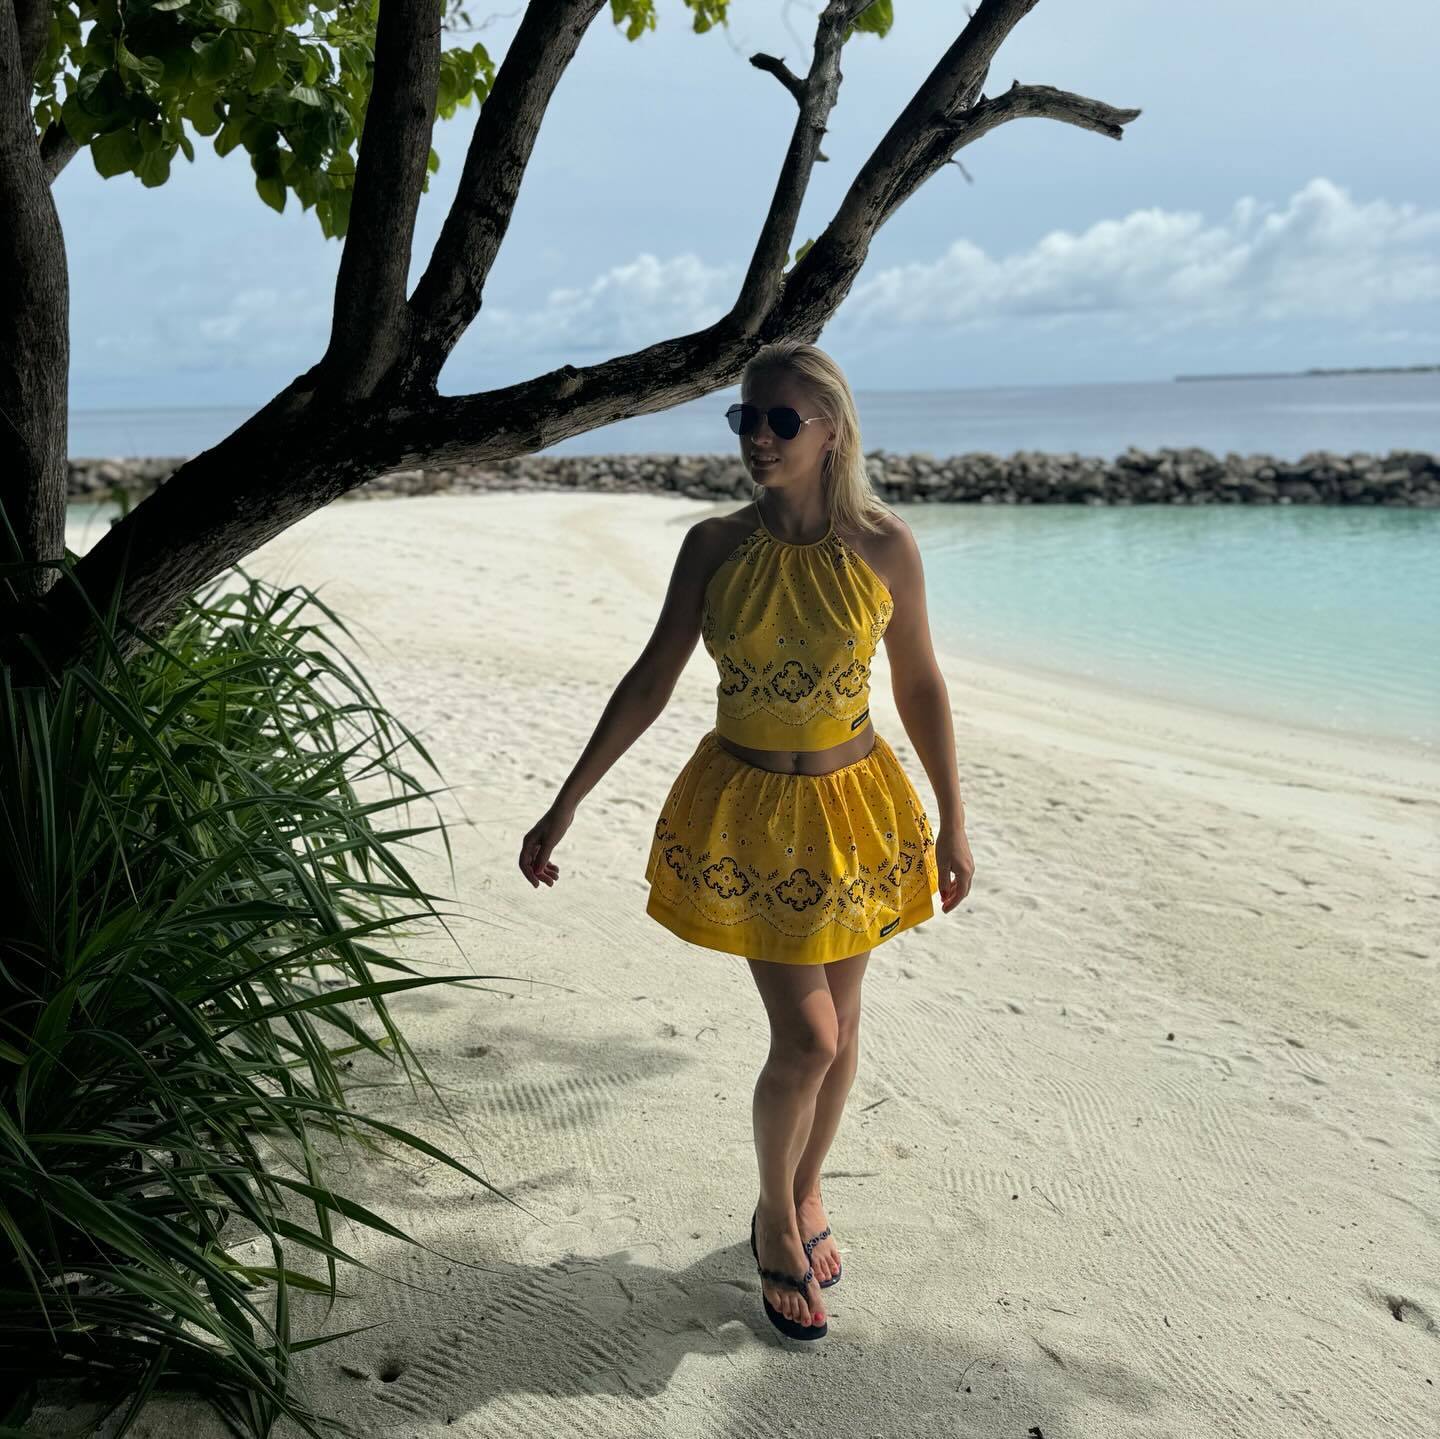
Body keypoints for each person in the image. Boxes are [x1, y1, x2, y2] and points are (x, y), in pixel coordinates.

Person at [518, 338, 974, 1342]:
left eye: (780, 420)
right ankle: (774, 1218)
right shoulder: (715, 546)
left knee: (843, 1027)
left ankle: (806, 1189)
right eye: (745, 419)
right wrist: (567, 800)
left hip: (856, 811)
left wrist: (953, 818)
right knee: (808, 1037)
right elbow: (651, 678)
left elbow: (921, 684)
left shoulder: (884, 545)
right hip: (756, 817)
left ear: (831, 431)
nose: (758, 438)